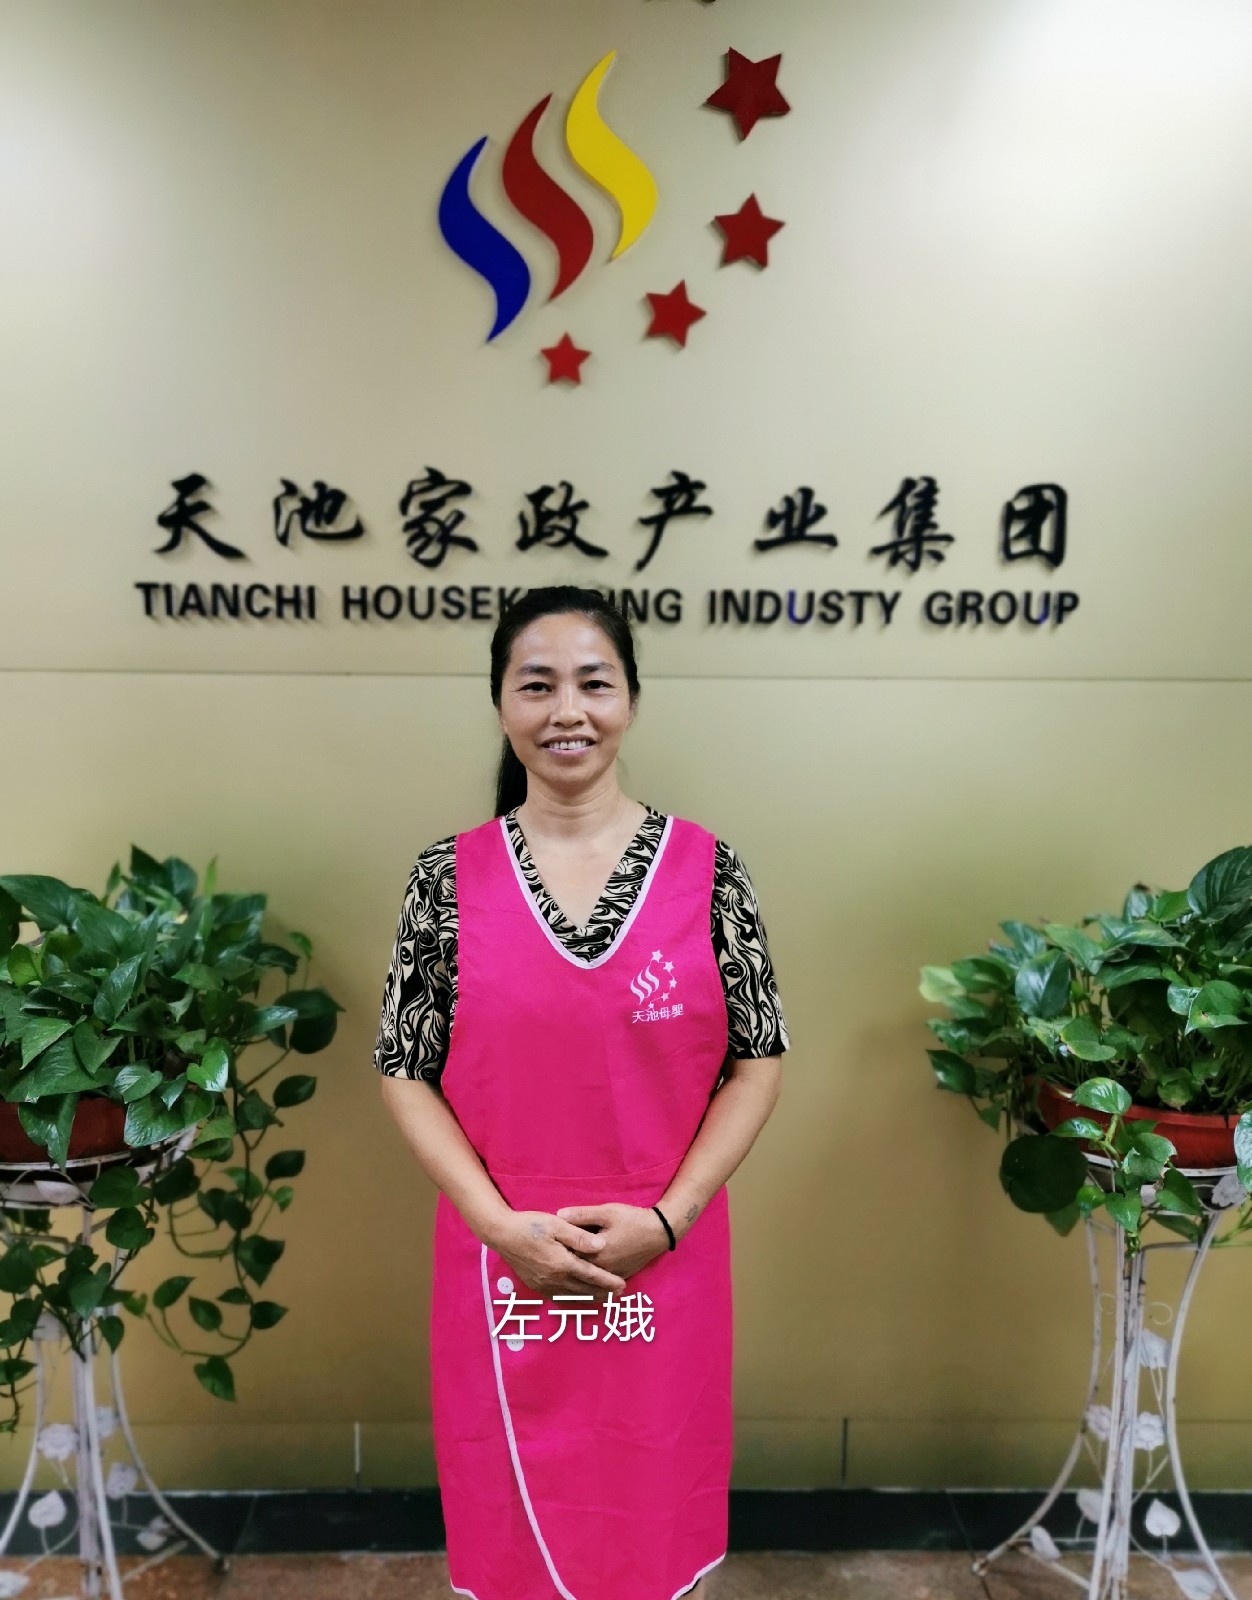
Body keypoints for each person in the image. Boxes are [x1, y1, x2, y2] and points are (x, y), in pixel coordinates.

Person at [374, 584, 789, 1600]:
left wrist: (670, 1218)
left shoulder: (710, 872)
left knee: (652, 1527)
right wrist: (497, 1225)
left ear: (630, 700)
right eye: (538, 684)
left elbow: (758, 1059)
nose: (568, 710)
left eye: (594, 683)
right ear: (501, 703)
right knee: (510, 1535)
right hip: (502, 1271)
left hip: (660, 1265)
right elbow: (403, 1068)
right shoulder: (445, 881)